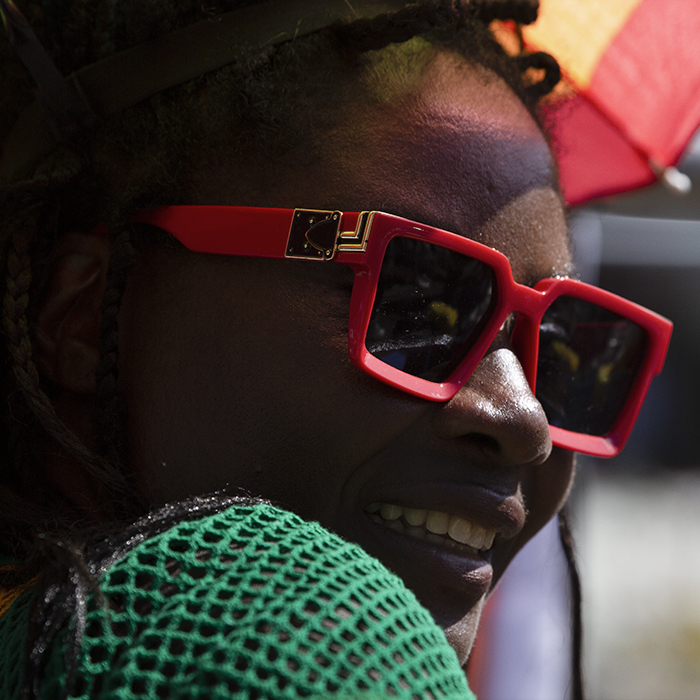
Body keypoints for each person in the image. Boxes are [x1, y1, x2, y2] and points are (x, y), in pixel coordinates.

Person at [0, 0, 672, 698]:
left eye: (560, 347)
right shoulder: (300, 649)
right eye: (415, 306)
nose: (523, 418)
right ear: (79, 315)